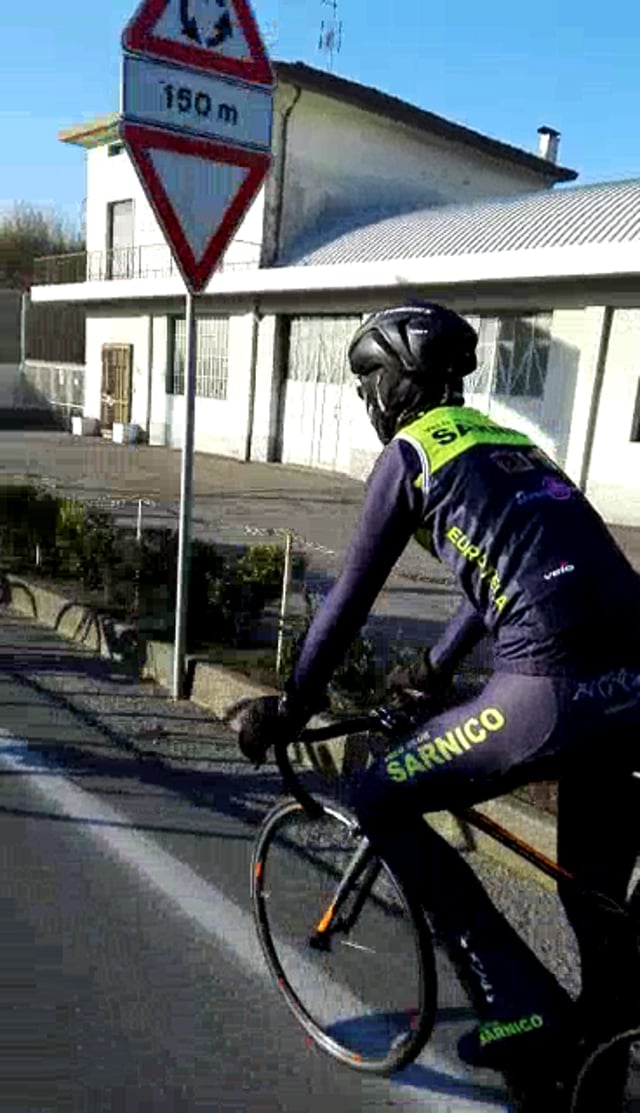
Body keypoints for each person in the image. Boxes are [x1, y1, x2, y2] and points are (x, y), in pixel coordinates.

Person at [237, 301, 640, 1110]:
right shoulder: (512, 443)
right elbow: (513, 566)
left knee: (379, 793)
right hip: (631, 680)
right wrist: (432, 666)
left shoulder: (412, 454)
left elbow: (349, 598)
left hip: (550, 685)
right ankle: (595, 1063)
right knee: (591, 894)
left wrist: (291, 707)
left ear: (397, 382)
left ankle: (520, 1005)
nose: (366, 398)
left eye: (368, 381)